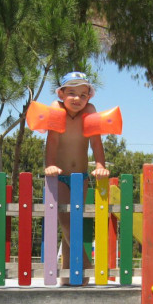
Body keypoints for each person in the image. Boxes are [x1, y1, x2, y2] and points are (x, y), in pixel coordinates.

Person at [44, 71, 108, 284]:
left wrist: (100, 166)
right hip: (60, 176)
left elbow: (96, 142)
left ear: (89, 97)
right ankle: (86, 266)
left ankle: (67, 276)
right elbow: (52, 141)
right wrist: (50, 165)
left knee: (72, 225)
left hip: (81, 177)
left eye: (83, 95)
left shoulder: (89, 111)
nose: (77, 99)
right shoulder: (56, 109)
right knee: (67, 223)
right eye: (71, 93)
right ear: (61, 94)